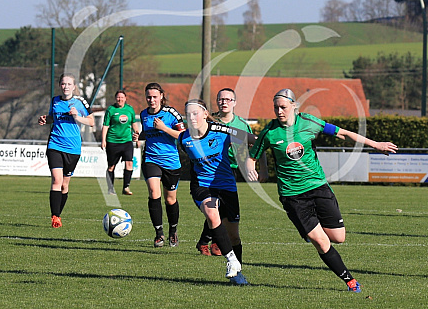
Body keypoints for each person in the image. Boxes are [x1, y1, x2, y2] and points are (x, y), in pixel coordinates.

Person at [246, 89, 397, 293]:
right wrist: (251, 168)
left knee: (339, 237)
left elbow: (343, 133)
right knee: (321, 240)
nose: (279, 111)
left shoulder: (309, 122)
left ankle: (310, 229)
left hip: (318, 187)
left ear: (293, 106)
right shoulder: (270, 132)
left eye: (283, 107)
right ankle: (350, 281)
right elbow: (252, 156)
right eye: (276, 107)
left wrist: (375, 145)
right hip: (293, 195)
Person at [165, 98, 252, 284]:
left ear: (205, 114)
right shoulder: (184, 138)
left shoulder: (221, 131)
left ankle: (238, 273)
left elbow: (252, 139)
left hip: (227, 186)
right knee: (212, 215)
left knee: (234, 235)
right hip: (202, 186)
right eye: (188, 114)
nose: (191, 117)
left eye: (195, 113)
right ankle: (231, 260)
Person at [195, 88, 268, 257]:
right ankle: (213, 243)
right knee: (215, 207)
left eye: (228, 99)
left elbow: (258, 146)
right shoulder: (209, 121)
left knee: (221, 209)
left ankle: (206, 241)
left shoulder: (242, 125)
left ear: (234, 103)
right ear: (217, 102)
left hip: (232, 169)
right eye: (221, 99)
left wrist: (261, 168)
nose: (224, 102)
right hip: (210, 170)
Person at [38, 73, 94, 228]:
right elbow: (52, 118)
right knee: (57, 180)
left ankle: (58, 214)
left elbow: (91, 122)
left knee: (64, 185)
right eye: (63, 84)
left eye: (69, 84)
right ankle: (55, 217)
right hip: (55, 144)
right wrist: (45, 119)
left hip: (73, 148)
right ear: (60, 85)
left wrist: (77, 117)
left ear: (74, 87)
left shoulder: (80, 102)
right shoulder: (55, 101)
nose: (66, 87)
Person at [132, 83, 185, 248]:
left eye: (155, 96)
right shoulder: (143, 114)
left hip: (171, 161)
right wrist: (139, 136)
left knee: (170, 200)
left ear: (161, 96)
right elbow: (148, 133)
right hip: (151, 159)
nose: (151, 100)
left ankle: (173, 231)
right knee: (154, 193)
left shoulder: (171, 114)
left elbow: (183, 136)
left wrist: (164, 128)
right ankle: (159, 234)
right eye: (149, 97)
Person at [101, 90, 140, 195]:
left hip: (127, 141)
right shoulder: (111, 110)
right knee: (111, 166)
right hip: (112, 141)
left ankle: (126, 187)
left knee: (129, 163)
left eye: (122, 97)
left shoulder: (129, 109)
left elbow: (133, 123)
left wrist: (137, 134)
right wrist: (103, 140)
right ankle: (110, 188)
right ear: (115, 98)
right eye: (118, 97)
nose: (120, 99)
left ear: (125, 98)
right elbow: (105, 126)